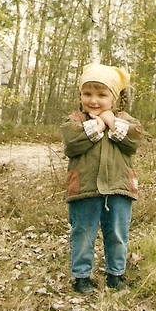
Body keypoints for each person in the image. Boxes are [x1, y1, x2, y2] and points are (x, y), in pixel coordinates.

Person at [60, 62, 144, 294]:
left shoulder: (128, 122)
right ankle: (81, 277)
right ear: (80, 96)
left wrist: (110, 122)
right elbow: (72, 144)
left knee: (117, 232)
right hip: (85, 188)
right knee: (83, 232)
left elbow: (133, 141)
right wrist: (97, 124)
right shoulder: (74, 121)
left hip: (119, 188)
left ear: (114, 98)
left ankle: (115, 275)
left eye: (101, 95)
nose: (94, 100)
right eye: (87, 94)